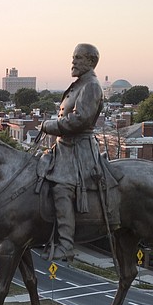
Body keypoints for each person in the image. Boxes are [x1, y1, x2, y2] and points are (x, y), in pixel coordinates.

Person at [41, 43, 104, 262]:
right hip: (64, 147)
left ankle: (66, 244)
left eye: (78, 58)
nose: (73, 62)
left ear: (91, 62)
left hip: (79, 150)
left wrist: (50, 126)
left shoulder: (91, 86)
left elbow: (80, 119)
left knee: (62, 188)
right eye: (73, 57)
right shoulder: (78, 85)